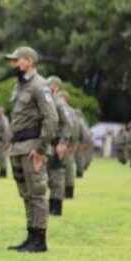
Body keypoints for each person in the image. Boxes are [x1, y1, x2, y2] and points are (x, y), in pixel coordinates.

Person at [6, 46, 58, 253]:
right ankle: (31, 236)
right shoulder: (19, 86)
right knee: (26, 194)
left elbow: (51, 118)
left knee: (36, 193)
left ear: (29, 61)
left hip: (32, 147)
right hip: (19, 146)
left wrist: (40, 148)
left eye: (16, 60)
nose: (13, 64)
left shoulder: (40, 85)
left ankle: (40, 239)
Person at [46, 76, 74, 216]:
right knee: (49, 177)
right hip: (47, 143)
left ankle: (56, 206)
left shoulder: (59, 103)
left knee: (57, 175)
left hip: (57, 143)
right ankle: (50, 205)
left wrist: (62, 143)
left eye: (49, 85)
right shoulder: (48, 101)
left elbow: (68, 124)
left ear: (56, 87)